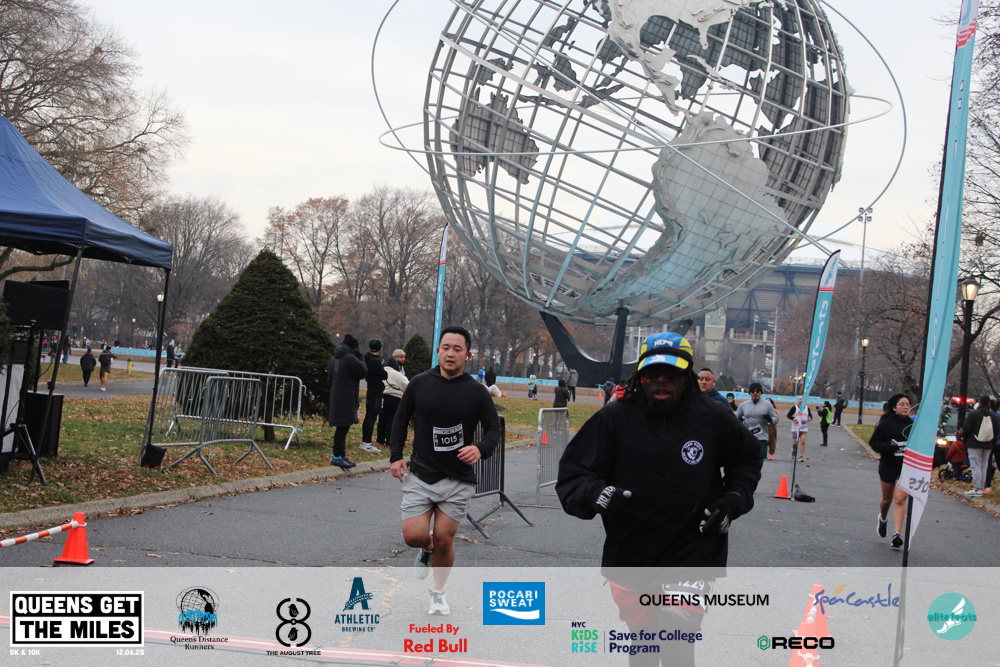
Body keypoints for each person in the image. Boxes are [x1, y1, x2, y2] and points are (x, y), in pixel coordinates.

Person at [556, 332, 761, 667]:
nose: (661, 381)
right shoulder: (614, 418)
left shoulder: (713, 418)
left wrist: (731, 502)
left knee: (676, 640)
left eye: (671, 373)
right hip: (632, 548)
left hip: (694, 546)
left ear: (686, 377)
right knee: (644, 645)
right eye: (652, 374)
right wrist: (598, 494)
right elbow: (574, 473)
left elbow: (747, 463)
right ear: (640, 377)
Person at [389, 325, 501, 616]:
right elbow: (400, 420)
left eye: (457, 349)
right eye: (446, 348)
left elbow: (493, 430)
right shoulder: (419, 383)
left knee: (444, 538)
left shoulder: (477, 392)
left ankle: (437, 592)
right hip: (421, 473)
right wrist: (396, 456)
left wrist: (480, 448)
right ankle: (425, 550)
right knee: (413, 536)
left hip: (458, 479)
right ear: (438, 351)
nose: (451, 353)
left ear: (468, 355)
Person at [868, 393, 913, 548]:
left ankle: (896, 535)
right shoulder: (886, 424)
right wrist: (889, 447)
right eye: (902, 404)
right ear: (894, 407)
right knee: (887, 500)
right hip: (888, 465)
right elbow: (874, 443)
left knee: (900, 499)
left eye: (908, 404)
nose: (906, 407)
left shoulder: (913, 426)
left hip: (905, 467)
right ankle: (883, 518)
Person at [327, 334, 366, 469]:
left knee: (343, 426)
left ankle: (341, 454)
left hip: (336, 394)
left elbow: (329, 378)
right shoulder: (350, 358)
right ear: (354, 347)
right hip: (347, 395)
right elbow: (362, 372)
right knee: (343, 427)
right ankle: (337, 456)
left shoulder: (335, 358)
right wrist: (361, 359)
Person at [961, 395, 999, 497]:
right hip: (987, 444)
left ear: (979, 401)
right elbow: (996, 431)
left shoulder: (973, 414)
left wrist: (965, 438)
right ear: (988, 403)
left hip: (974, 443)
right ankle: (981, 487)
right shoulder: (993, 416)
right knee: (984, 466)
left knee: (975, 466)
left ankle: (976, 488)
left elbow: (966, 428)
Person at [735, 382, 777, 460]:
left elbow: (775, 418)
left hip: (762, 435)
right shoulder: (743, 405)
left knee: (761, 456)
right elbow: (735, 417)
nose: (755, 393)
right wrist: (739, 420)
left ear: (761, 393)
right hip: (748, 435)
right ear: (749, 393)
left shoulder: (768, 405)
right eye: (752, 391)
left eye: (757, 391)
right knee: (748, 457)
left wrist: (770, 419)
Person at [360, 338, 387, 453]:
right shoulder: (375, 361)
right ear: (380, 348)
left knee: (368, 415)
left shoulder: (367, 359)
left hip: (370, 388)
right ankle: (367, 442)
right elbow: (384, 375)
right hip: (376, 390)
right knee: (372, 416)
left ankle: (365, 441)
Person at [378, 351, 409, 450]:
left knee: (382, 419)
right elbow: (407, 386)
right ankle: (389, 439)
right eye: (401, 357)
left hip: (382, 397)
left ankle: (380, 438)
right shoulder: (397, 374)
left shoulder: (382, 370)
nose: (403, 359)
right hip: (395, 398)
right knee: (392, 420)